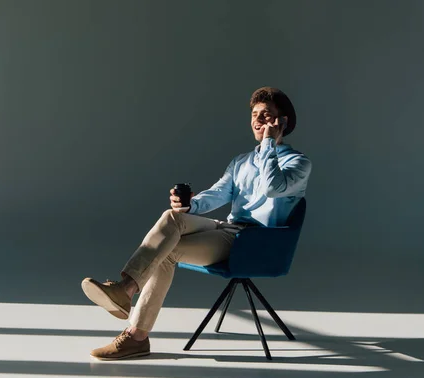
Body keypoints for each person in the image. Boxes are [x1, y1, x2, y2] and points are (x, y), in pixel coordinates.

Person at [81, 87, 312, 360]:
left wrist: (268, 145)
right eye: (254, 114)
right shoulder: (241, 161)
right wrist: (190, 205)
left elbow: (273, 187)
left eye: (267, 115)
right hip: (228, 229)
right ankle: (126, 291)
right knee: (172, 217)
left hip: (253, 242)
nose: (259, 120)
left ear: (283, 121)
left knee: (165, 253)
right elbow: (218, 193)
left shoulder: (298, 163)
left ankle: (135, 334)